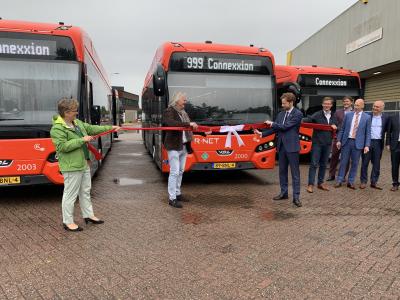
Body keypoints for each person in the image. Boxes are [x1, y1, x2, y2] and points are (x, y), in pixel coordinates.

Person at [50, 98, 121, 232]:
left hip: (84, 163)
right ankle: (68, 221)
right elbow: (62, 147)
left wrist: (111, 128)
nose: (76, 113)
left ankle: (88, 215)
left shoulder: (76, 123)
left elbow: (92, 128)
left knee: (85, 191)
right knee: (70, 195)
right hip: (71, 166)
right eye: (74, 111)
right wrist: (81, 140)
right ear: (66, 112)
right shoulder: (57, 129)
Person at [255, 92, 303, 207]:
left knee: (295, 173)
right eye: (282, 103)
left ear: (291, 102)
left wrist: (272, 124)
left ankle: (296, 197)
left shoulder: (298, 114)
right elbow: (276, 129)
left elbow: (285, 127)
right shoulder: (281, 114)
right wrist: (262, 134)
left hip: (292, 147)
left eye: (284, 103)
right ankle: (284, 193)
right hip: (281, 146)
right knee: (282, 171)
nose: (282, 105)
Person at [162, 92, 198, 208]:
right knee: (174, 172)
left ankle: (177, 193)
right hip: (173, 146)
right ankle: (172, 198)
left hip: (184, 146)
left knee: (181, 171)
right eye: (184, 100)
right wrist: (188, 124)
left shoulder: (183, 113)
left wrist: (204, 132)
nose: (185, 102)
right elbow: (171, 123)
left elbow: (190, 127)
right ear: (177, 101)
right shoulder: (169, 111)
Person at [335, 98, 371, 189]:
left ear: (362, 106)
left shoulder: (367, 117)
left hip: (358, 144)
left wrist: (367, 145)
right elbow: (342, 129)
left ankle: (350, 181)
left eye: (358, 105)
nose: (356, 107)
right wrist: (339, 140)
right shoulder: (348, 115)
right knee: (343, 162)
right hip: (346, 142)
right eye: (355, 105)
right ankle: (339, 180)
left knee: (355, 163)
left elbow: (368, 133)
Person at [305, 97, 337, 193]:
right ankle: (310, 184)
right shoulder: (317, 115)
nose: (327, 105)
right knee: (314, 164)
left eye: (328, 104)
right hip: (317, 143)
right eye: (325, 104)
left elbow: (338, 126)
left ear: (331, 105)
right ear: (322, 104)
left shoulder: (333, 116)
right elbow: (308, 120)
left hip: (327, 144)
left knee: (323, 164)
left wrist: (335, 126)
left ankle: (320, 183)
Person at [359, 100, 388, 189]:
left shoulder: (386, 118)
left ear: (382, 108)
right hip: (367, 142)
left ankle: (374, 182)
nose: (374, 108)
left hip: (378, 143)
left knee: (376, 164)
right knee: (365, 162)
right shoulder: (367, 116)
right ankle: (363, 181)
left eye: (377, 107)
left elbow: (389, 131)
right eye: (374, 106)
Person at [327, 96, 353, 181]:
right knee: (334, 156)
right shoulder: (338, 112)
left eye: (347, 101)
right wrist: (333, 125)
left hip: (349, 138)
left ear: (351, 102)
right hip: (337, 137)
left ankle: (343, 176)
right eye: (344, 101)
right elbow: (332, 121)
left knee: (346, 158)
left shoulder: (355, 113)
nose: (346, 103)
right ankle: (331, 175)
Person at [386, 112, 400, 191]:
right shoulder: (393, 117)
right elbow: (388, 132)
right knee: (395, 166)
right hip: (395, 145)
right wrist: (387, 143)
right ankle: (395, 184)